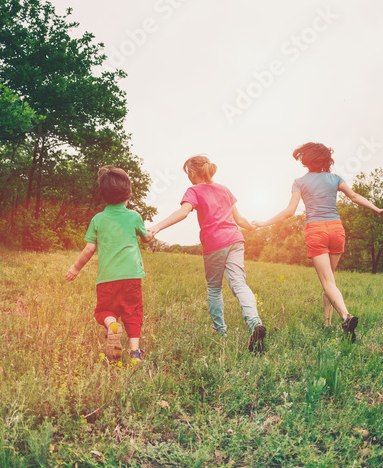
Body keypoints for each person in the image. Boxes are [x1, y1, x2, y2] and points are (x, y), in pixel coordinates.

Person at [252, 142, 383, 341]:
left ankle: (345, 316)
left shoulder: (299, 181)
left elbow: (290, 211)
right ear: (326, 160)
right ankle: (327, 323)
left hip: (316, 230)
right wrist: (377, 209)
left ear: (306, 160)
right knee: (330, 281)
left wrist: (264, 223)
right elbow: (353, 196)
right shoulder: (335, 178)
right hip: (336, 229)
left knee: (327, 282)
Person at [146, 155, 268, 353]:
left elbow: (184, 212)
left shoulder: (193, 190)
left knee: (214, 288)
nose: (188, 177)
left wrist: (156, 227)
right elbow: (239, 219)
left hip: (215, 243)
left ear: (193, 173)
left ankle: (220, 331)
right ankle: (254, 323)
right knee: (239, 284)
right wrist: (252, 227)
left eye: (187, 173)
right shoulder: (224, 189)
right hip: (236, 239)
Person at [66, 166, 152, 363]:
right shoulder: (134, 217)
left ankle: (112, 324)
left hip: (107, 278)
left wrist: (75, 268)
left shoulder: (98, 219)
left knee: (103, 311)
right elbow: (146, 238)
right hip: (132, 276)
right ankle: (135, 352)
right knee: (133, 312)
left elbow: (89, 249)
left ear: (103, 196)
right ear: (128, 193)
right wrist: (150, 234)